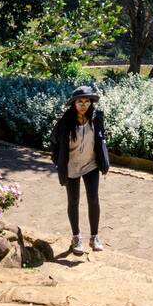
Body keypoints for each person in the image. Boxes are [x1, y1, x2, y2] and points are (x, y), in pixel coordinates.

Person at [49, 85, 110, 255]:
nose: (84, 105)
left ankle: (94, 236)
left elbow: (101, 138)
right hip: (72, 166)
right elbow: (54, 143)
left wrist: (103, 160)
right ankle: (76, 237)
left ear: (91, 103)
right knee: (73, 201)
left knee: (93, 199)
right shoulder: (65, 122)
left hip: (91, 164)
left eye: (87, 101)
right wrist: (59, 162)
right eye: (80, 102)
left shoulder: (96, 118)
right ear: (74, 104)